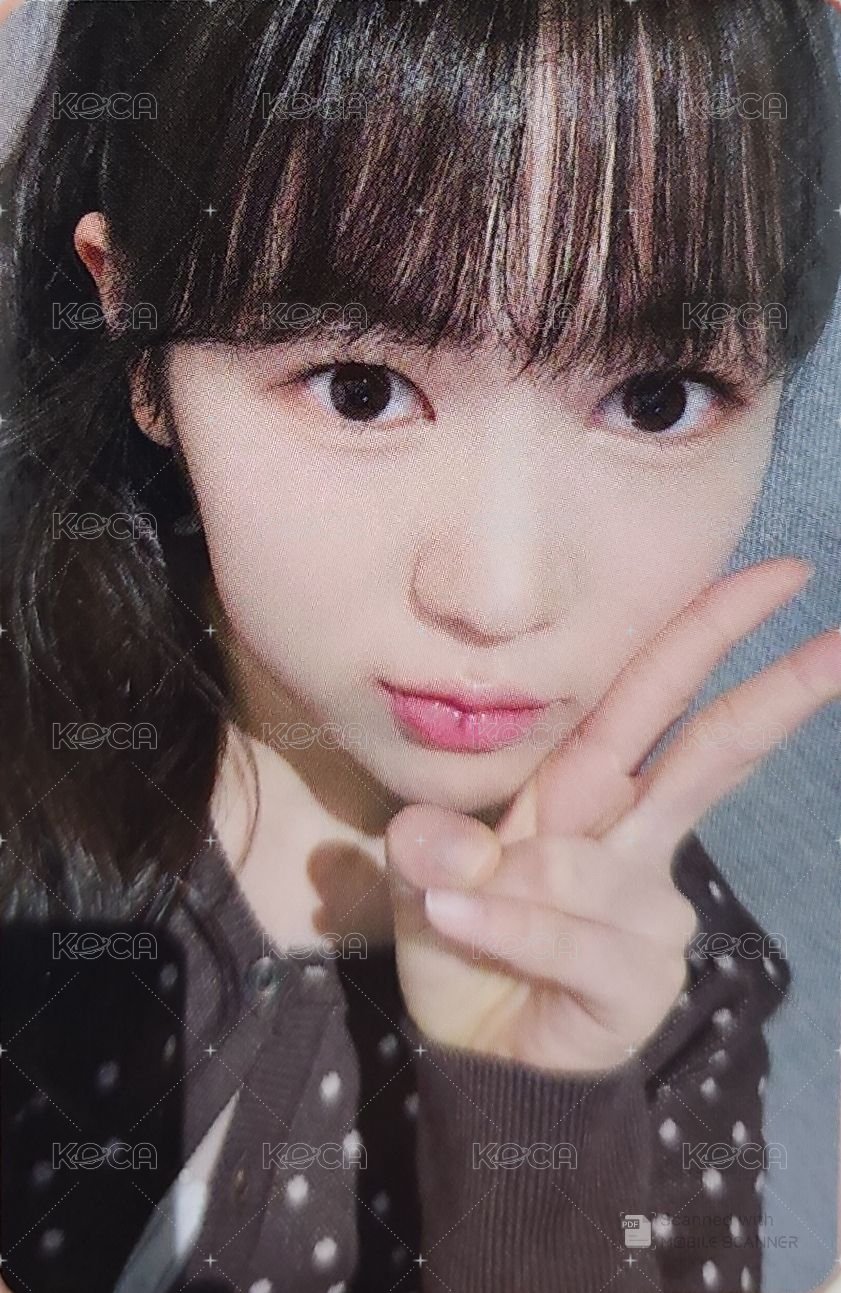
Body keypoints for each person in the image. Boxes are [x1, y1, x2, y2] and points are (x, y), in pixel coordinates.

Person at [1, 1, 841, 1290]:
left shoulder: (671, 990)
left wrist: (538, 1127)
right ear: (137, 336)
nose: (499, 598)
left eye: (656, 398)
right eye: (360, 387)